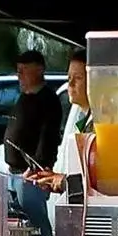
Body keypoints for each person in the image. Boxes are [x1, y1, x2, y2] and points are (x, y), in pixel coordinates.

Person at [4, 50, 63, 236]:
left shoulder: (48, 100)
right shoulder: (24, 98)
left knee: (37, 224)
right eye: (18, 71)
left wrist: (38, 169)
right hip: (14, 172)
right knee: (20, 226)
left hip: (32, 174)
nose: (19, 76)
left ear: (39, 70)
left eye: (23, 71)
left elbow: (48, 138)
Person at [28, 47, 92, 194]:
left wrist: (62, 181)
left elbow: (95, 181)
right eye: (69, 78)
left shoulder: (101, 124)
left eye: (78, 78)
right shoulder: (84, 118)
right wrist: (52, 178)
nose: (71, 84)